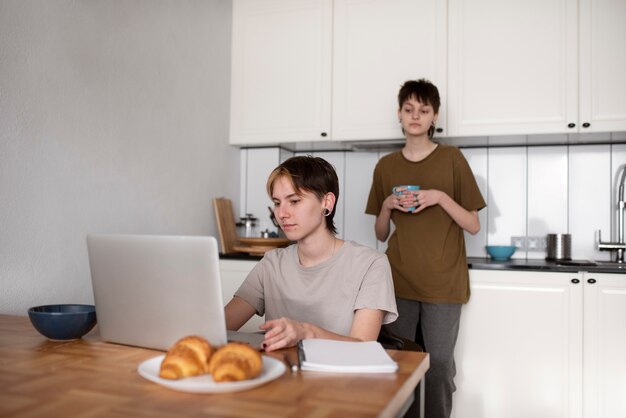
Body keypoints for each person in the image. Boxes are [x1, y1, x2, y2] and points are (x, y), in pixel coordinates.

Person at [365, 79, 486, 418]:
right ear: (399, 115)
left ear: (435, 117)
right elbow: (379, 232)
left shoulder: (452, 159)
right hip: (399, 279)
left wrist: (439, 197)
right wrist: (387, 204)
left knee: (439, 367)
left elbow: (473, 224)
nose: (415, 116)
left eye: (424, 110)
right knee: (399, 364)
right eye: (409, 109)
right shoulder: (386, 166)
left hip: (443, 283)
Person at [225, 155, 398, 352]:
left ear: (327, 202)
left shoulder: (371, 264)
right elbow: (223, 325)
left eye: (294, 201)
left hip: (340, 381)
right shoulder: (272, 263)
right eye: (277, 202)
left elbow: (363, 347)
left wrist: (307, 333)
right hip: (281, 378)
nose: (281, 214)